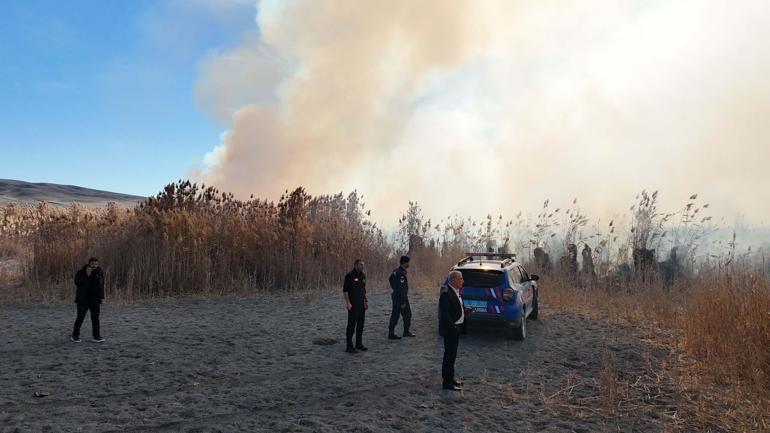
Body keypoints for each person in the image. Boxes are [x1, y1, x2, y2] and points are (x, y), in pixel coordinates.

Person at [438, 270, 467, 391]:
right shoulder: (446, 293)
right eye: (461, 278)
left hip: (456, 328)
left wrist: (466, 311)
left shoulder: (455, 291)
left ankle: (451, 378)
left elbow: (455, 308)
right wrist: (453, 328)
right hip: (451, 330)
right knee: (449, 356)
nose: (463, 281)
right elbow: (444, 314)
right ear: (454, 280)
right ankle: (447, 382)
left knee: (452, 355)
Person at [71, 257, 105, 343]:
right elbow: (77, 282)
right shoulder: (81, 272)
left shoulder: (99, 272)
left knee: (95, 318)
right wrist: (87, 275)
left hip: (95, 300)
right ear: (89, 263)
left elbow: (101, 286)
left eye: (96, 264)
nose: (94, 266)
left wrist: (102, 298)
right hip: (83, 299)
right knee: (80, 317)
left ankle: (96, 336)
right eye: (93, 264)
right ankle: (75, 335)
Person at [343, 259, 368, 353]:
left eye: (363, 265)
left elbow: (363, 290)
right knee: (351, 325)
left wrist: (365, 301)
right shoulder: (349, 276)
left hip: (361, 304)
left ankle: (359, 344)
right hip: (353, 304)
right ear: (355, 265)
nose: (362, 266)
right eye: (361, 265)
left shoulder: (363, 275)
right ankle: (349, 346)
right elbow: (345, 291)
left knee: (360, 325)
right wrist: (347, 302)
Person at [388, 255, 414, 339]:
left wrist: (394, 288)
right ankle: (405, 332)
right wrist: (403, 301)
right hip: (401, 298)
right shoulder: (401, 273)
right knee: (407, 314)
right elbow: (401, 288)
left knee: (395, 315)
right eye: (408, 262)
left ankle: (391, 333)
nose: (408, 264)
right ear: (404, 263)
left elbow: (390, 279)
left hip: (396, 296)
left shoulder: (396, 271)